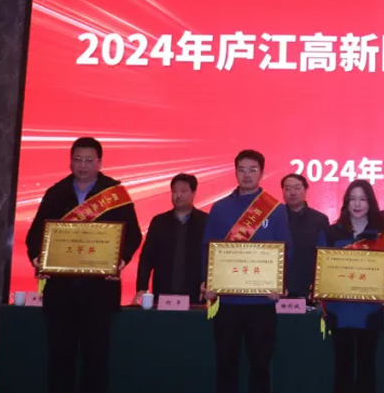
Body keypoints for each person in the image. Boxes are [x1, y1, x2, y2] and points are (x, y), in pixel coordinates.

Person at [25, 137, 142, 393]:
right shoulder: (56, 193)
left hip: (99, 291)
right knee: (60, 357)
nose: (83, 165)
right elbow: (34, 236)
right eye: (78, 159)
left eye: (89, 160)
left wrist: (118, 263)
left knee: (96, 359)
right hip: (60, 292)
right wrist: (39, 261)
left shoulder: (115, 194)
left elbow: (133, 235)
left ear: (100, 162)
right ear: (70, 161)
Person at [202, 150, 292, 393]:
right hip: (226, 301)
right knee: (226, 364)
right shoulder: (220, 208)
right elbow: (207, 248)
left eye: (253, 169)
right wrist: (207, 281)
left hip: (262, 301)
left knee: (260, 365)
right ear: (235, 172)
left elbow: (286, 248)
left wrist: (279, 283)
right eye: (242, 169)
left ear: (262, 173)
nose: (247, 174)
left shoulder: (274, 209)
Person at [319, 180, 384, 393]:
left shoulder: (381, 235)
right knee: (342, 367)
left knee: (366, 367)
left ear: (370, 203)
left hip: (369, 311)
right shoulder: (332, 233)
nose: (358, 204)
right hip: (339, 310)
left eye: (363, 199)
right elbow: (320, 268)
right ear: (346, 203)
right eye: (353, 199)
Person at [135, 173, 209, 304]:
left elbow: (211, 258)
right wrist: (142, 288)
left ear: (193, 193)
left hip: (196, 295)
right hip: (163, 293)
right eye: (174, 191)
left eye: (183, 191)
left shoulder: (206, 222)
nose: (178, 195)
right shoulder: (159, 222)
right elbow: (147, 258)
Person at [283, 173, 330, 299]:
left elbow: (324, 255)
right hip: (280, 288)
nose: (292, 193)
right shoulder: (275, 217)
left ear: (305, 190)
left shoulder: (320, 219)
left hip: (309, 288)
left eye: (297, 188)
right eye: (288, 189)